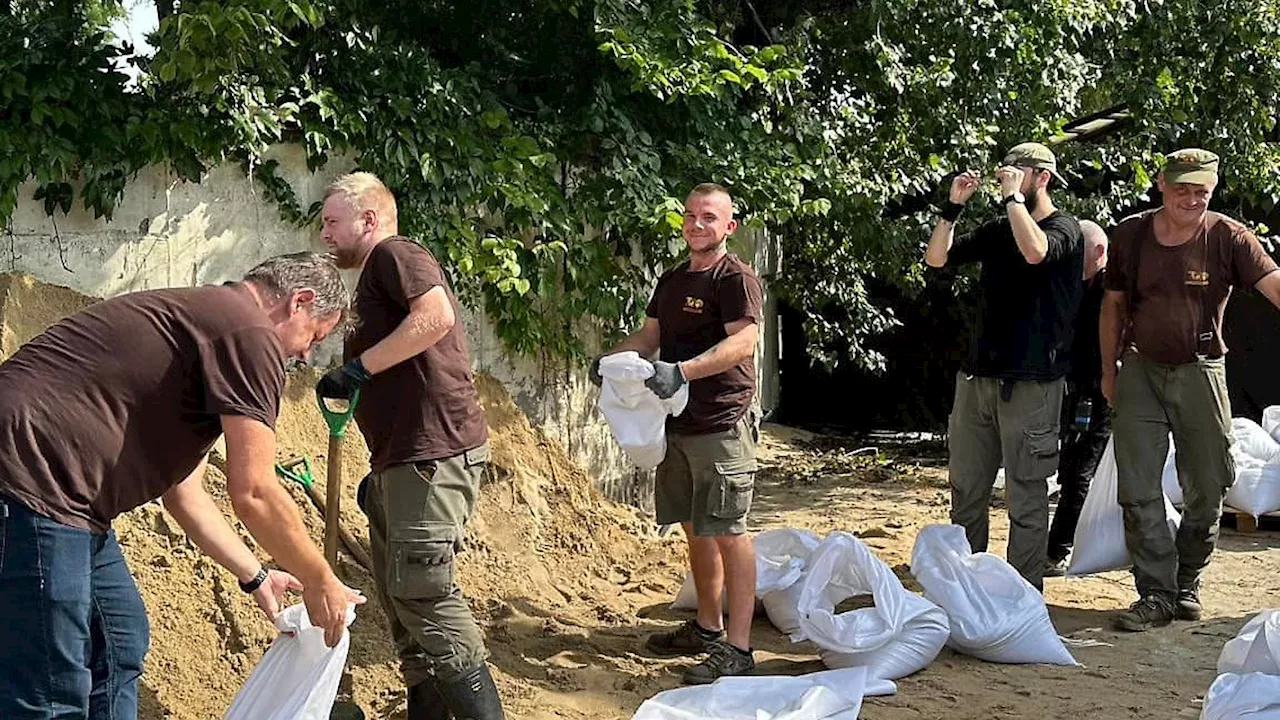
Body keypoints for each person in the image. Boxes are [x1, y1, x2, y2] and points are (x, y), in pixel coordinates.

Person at [0, 252, 363, 719]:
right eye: (314, 336)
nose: (306, 355)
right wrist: (321, 580)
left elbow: (185, 496)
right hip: (33, 483)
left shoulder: (211, 331)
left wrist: (255, 575)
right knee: (50, 689)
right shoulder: (250, 334)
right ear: (300, 301)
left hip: (65, 498)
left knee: (118, 638)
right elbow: (254, 491)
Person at [314, 172, 502, 718]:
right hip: (404, 458)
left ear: (368, 220)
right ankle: (427, 707)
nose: (324, 233)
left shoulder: (398, 254)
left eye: (332, 221)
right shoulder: (374, 277)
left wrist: (357, 369)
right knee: (402, 595)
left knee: (425, 592)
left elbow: (436, 317)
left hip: (431, 452)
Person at [1101, 149, 1280, 631]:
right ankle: (1155, 592)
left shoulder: (1228, 237)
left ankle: (1187, 580)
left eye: (1202, 189)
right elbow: (1114, 305)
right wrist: (1108, 370)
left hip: (1202, 368)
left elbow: (1274, 284)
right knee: (1137, 487)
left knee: (1210, 481)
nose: (1193, 197)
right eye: (1183, 187)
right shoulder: (1131, 234)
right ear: (1161, 184)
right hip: (1140, 367)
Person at [592, 182, 763, 684]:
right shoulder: (671, 280)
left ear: (728, 227)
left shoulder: (735, 279)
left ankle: (740, 648)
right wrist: (610, 361)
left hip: (720, 424)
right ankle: (707, 627)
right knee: (694, 526)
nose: (696, 224)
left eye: (708, 217)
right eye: (690, 215)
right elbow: (651, 337)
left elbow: (745, 343)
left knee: (729, 532)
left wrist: (682, 372)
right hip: (676, 423)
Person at [924, 141, 1084, 591]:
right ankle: (968, 588)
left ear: (1042, 178)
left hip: (1033, 384)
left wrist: (1014, 200)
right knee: (967, 491)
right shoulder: (998, 230)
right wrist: (952, 207)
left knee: (1027, 494)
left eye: (1019, 173)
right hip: (978, 379)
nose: (1007, 180)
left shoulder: (1065, 229)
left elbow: (1035, 252)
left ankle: (1022, 592)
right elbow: (937, 258)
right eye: (1005, 173)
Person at [1045, 220, 1111, 576]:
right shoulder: (1073, 286)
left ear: (1099, 253)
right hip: (1071, 388)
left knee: (1079, 472)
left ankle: (1058, 550)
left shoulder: (1111, 290)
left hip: (1100, 391)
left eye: (1076, 255)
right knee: (1070, 468)